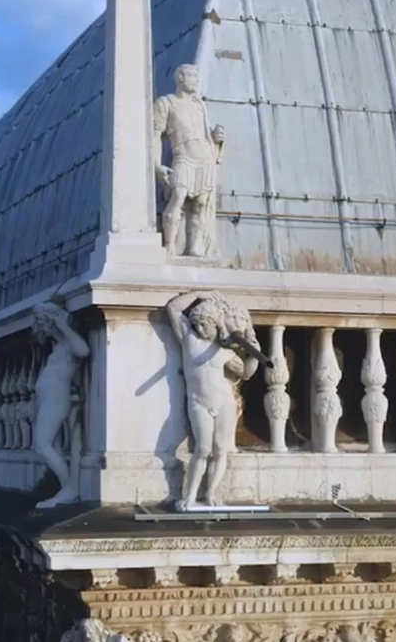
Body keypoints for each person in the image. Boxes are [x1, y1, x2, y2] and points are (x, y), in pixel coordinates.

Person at [165, 290, 262, 510]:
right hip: (199, 402)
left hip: (224, 401)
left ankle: (210, 494)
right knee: (202, 449)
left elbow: (246, 373)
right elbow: (173, 308)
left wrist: (256, 354)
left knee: (220, 450)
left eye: (204, 324)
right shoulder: (189, 340)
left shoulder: (225, 352)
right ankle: (189, 496)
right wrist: (200, 294)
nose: (199, 329)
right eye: (197, 324)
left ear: (216, 325)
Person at [152, 64, 225, 257]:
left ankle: (193, 247)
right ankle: (169, 247)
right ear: (180, 78)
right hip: (183, 156)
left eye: (196, 76)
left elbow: (205, 134)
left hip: (205, 157)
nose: (196, 80)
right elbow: (155, 135)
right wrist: (156, 164)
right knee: (177, 198)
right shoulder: (166, 103)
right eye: (192, 76)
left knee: (200, 204)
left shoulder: (199, 105)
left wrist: (216, 139)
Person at [30, 302, 91, 508]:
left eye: (43, 322)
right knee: (51, 446)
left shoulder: (67, 344)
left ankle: (69, 489)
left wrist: (63, 325)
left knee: (42, 444)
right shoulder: (57, 347)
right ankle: (66, 489)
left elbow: (83, 351)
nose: (41, 327)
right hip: (47, 398)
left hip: (56, 398)